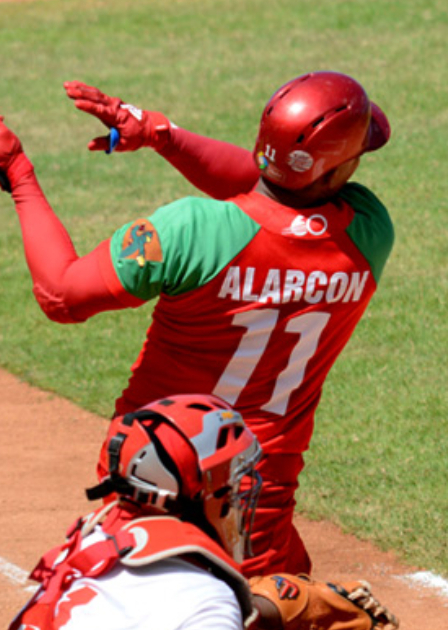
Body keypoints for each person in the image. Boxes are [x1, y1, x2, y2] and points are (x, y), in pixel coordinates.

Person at [0, 71, 393, 578]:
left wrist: (17, 171)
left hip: (147, 473)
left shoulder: (189, 230)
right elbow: (274, 190)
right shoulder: (367, 233)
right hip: (256, 497)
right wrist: (161, 134)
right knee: (282, 603)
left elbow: (61, 295)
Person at [9, 394, 396, 630]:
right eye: (232, 483)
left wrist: (256, 612)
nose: (240, 498)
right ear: (202, 495)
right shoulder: (205, 601)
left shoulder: (91, 545)